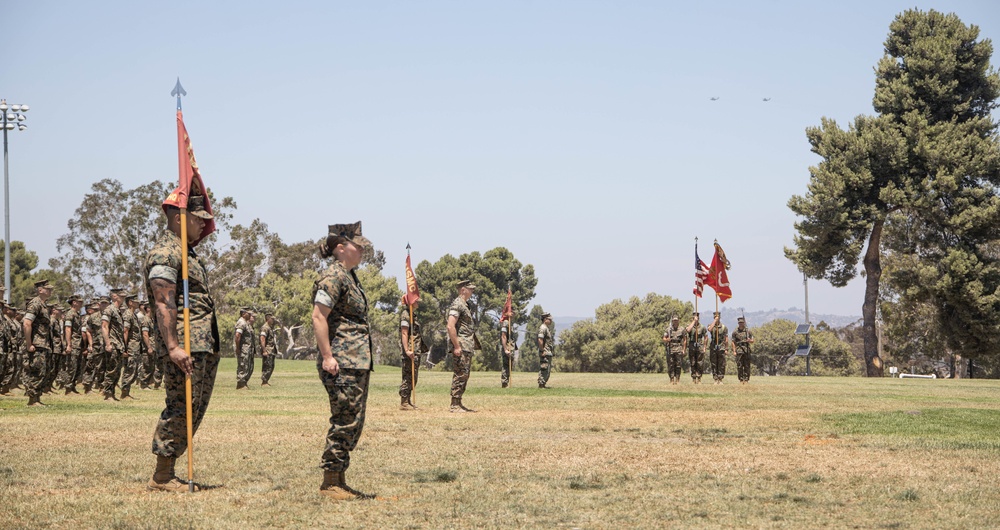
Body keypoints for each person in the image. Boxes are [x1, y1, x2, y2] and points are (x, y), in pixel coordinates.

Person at [145, 194, 221, 492]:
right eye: (198, 217)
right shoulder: (166, 253)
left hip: (201, 341)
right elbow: (164, 301)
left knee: (194, 407)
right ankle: (162, 475)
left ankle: (169, 469)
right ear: (179, 217)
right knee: (181, 405)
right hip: (185, 343)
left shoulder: (187, 253)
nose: (204, 223)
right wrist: (174, 346)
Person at [311, 221, 376, 500]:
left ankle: (339, 478)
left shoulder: (350, 276)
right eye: (357, 246)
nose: (361, 250)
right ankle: (330, 482)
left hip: (355, 361)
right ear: (341, 248)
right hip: (342, 361)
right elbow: (318, 317)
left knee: (353, 420)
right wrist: (328, 356)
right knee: (344, 419)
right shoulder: (333, 277)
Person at [447, 280, 480, 412]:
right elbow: (450, 326)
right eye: (470, 289)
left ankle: (458, 402)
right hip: (461, 345)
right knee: (460, 374)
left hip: (467, 345)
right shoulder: (457, 304)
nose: (472, 292)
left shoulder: (465, 305)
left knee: (464, 374)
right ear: (463, 290)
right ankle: (454, 404)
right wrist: (456, 346)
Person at [22, 279, 55, 406]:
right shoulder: (35, 304)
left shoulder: (43, 305)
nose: (50, 291)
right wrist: (29, 343)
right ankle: (32, 399)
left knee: (43, 372)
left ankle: (37, 398)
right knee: (36, 371)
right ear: (40, 290)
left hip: (43, 344)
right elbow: (27, 323)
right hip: (37, 344)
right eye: (48, 289)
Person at [398, 298, 428, 410]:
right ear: (410, 302)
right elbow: (404, 333)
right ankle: (404, 402)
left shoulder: (412, 314)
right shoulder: (405, 314)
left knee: (413, 376)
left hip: (415, 350)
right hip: (410, 351)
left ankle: (408, 401)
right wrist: (407, 350)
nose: (418, 302)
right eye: (415, 300)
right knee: (408, 376)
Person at [101, 288, 127, 401]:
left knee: (116, 371)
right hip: (113, 343)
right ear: (114, 296)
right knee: (111, 370)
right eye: (121, 296)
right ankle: (107, 394)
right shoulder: (109, 309)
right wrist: (108, 344)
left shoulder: (118, 310)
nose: (123, 298)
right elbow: (104, 326)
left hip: (119, 345)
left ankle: (112, 393)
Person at [60, 296, 86, 394]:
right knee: (72, 366)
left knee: (77, 366)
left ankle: (72, 386)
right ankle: (68, 387)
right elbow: (68, 329)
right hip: (73, 344)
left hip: (78, 343)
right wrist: (69, 344)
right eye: (79, 302)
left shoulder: (77, 314)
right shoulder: (70, 314)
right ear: (74, 303)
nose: (81, 304)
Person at [119, 294, 143, 399]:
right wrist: (124, 347)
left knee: (133, 369)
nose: (138, 303)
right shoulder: (128, 315)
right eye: (136, 301)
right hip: (130, 347)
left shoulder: (134, 315)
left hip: (135, 347)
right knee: (129, 368)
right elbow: (125, 331)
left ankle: (126, 391)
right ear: (130, 303)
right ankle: (124, 392)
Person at [234, 307, 256, 389]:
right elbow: (237, 336)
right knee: (243, 365)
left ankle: (244, 383)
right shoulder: (241, 323)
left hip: (248, 349)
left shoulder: (246, 323)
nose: (250, 315)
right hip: (243, 349)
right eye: (248, 313)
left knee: (247, 366)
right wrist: (238, 348)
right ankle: (241, 384)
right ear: (243, 314)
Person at [706, 311, 729, 384]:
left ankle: (720, 378)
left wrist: (726, 348)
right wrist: (715, 321)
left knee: (721, 364)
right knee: (714, 363)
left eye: (718, 317)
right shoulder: (711, 325)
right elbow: (709, 329)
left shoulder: (724, 327)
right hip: (713, 347)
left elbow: (726, 339)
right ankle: (715, 379)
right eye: (715, 317)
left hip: (721, 347)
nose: (717, 318)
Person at [731, 316, 755, 385]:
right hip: (739, 350)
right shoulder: (735, 332)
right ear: (738, 323)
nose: (741, 324)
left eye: (742, 322)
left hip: (746, 350)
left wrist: (749, 340)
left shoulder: (748, 331)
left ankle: (746, 379)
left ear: (744, 323)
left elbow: (752, 340)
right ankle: (741, 379)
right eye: (740, 323)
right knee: (740, 366)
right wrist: (734, 351)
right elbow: (733, 342)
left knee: (747, 366)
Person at [684, 312, 707, 384]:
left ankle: (699, 378)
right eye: (694, 318)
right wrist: (694, 322)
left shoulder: (702, 327)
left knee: (700, 363)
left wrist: (704, 347)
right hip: (692, 346)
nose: (696, 319)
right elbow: (688, 330)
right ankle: (694, 378)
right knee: (692, 362)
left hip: (699, 346)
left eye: (697, 318)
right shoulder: (690, 325)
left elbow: (706, 337)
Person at [662, 314, 684, 385]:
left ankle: (677, 380)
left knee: (678, 365)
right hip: (670, 349)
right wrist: (667, 339)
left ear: (678, 321)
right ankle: (671, 380)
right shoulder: (668, 330)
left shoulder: (681, 329)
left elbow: (685, 339)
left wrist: (684, 349)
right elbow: (664, 338)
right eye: (674, 320)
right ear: (672, 321)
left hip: (678, 348)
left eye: (676, 320)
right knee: (670, 365)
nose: (675, 322)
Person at [259, 312, 278, 386]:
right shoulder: (265, 327)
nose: (273, 320)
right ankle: (264, 381)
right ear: (268, 319)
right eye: (272, 319)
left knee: (271, 366)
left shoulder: (269, 327)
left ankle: (265, 381)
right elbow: (262, 338)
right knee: (267, 365)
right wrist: (264, 350)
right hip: (267, 350)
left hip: (271, 350)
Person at [537, 313, 556, 388]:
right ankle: (541, 384)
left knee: (547, 369)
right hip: (545, 352)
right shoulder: (543, 328)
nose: (551, 321)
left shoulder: (546, 328)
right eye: (549, 319)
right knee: (544, 368)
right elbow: (540, 339)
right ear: (545, 320)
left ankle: (543, 384)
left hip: (548, 352)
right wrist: (542, 350)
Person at [499, 316, 517, 388]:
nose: (514, 314)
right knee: (506, 366)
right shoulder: (506, 322)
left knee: (509, 366)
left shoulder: (509, 323)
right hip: (508, 348)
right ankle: (504, 383)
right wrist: (505, 349)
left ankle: (506, 383)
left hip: (510, 347)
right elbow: (503, 336)